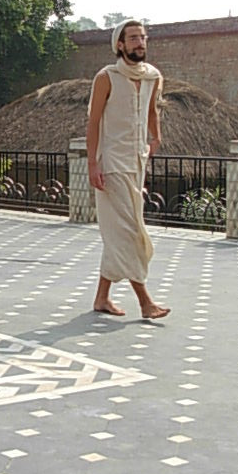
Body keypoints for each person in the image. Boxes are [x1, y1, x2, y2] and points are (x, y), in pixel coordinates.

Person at [86, 18, 171, 320]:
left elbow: (152, 109)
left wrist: (156, 136)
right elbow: (93, 122)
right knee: (131, 230)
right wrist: (93, 163)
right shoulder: (106, 77)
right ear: (119, 45)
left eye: (143, 37)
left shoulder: (153, 76)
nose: (139, 43)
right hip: (111, 163)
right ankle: (145, 301)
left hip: (137, 162)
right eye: (133, 38)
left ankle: (101, 298)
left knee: (120, 232)